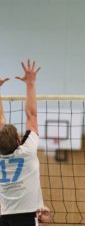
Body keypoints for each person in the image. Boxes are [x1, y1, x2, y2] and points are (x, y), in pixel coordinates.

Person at [0, 60, 43, 226]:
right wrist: (30, 83)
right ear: (19, 141)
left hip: (3, 218)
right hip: (26, 218)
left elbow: (1, 122)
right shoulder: (27, 152)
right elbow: (32, 115)